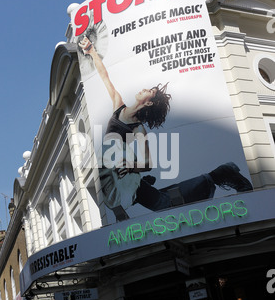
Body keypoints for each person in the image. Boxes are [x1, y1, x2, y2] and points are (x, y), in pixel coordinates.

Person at [79, 36, 252, 221]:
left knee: (164, 203)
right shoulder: (118, 105)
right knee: (127, 199)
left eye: (149, 91)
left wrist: (130, 168)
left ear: (150, 102)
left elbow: (147, 163)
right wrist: (92, 51)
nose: (144, 89)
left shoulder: (138, 130)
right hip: (110, 169)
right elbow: (104, 75)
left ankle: (219, 174)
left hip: (123, 175)